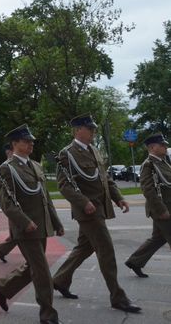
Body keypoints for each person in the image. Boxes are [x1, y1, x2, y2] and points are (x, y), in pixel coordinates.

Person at [51, 114, 140, 313]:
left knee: (84, 247)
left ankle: (60, 280)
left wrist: (118, 197)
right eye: (89, 128)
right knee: (106, 250)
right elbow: (64, 186)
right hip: (88, 211)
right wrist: (84, 203)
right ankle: (118, 297)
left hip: (100, 206)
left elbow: (105, 178)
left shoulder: (94, 151)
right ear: (77, 130)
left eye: (93, 129)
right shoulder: (67, 154)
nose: (93, 132)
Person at [0, 125, 64, 324]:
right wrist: (24, 222)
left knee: (34, 266)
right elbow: (6, 203)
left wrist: (55, 222)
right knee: (42, 271)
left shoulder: (36, 166)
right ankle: (47, 314)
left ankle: (4, 287)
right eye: (26, 141)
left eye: (31, 141)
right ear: (14, 144)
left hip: (41, 226)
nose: (31, 144)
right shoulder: (7, 168)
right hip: (25, 229)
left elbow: (45, 198)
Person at [124, 132, 171, 278]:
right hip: (161, 209)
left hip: (168, 206)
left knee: (158, 238)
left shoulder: (164, 162)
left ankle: (135, 262)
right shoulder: (148, 165)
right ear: (152, 147)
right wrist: (161, 209)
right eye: (162, 145)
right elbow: (148, 189)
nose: (165, 147)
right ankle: (135, 261)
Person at [0, 143, 18, 263]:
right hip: (13, 207)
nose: (10, 154)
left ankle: (3, 249)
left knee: (18, 233)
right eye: (10, 152)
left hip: (19, 206)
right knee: (20, 232)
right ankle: (3, 249)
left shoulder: (15, 165)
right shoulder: (5, 167)